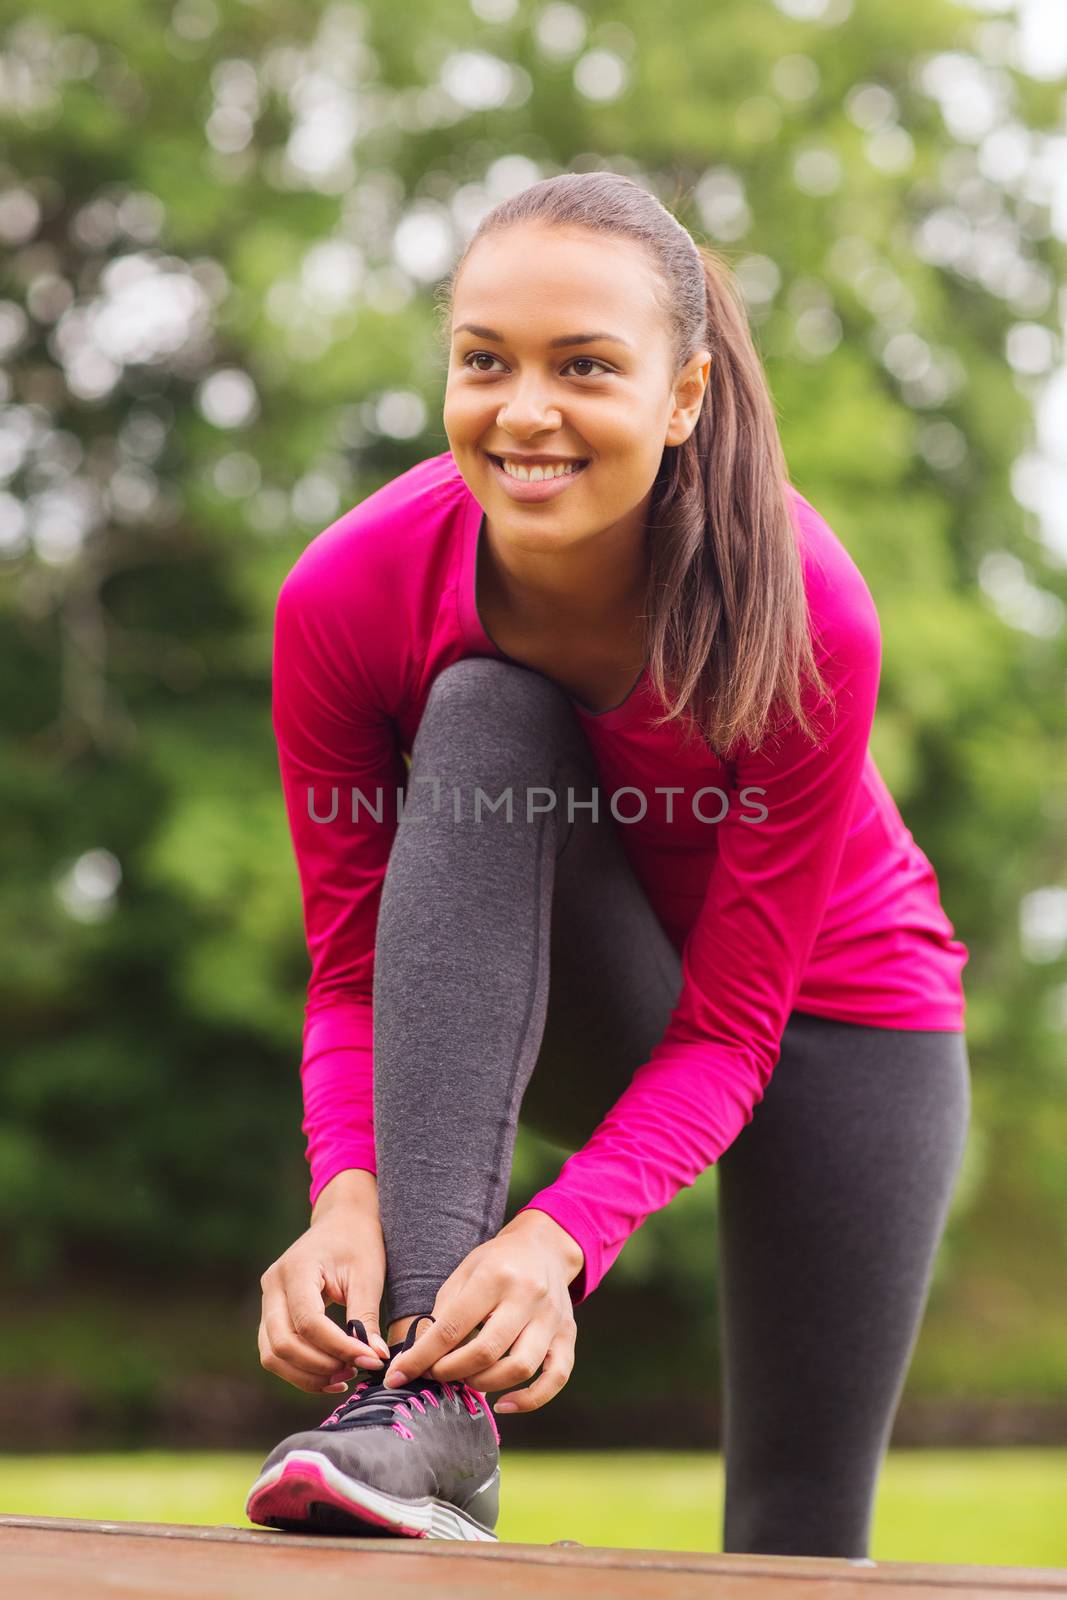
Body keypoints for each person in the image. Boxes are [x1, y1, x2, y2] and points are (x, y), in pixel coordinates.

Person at [244, 171, 971, 1554]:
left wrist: (557, 1244)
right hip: (588, 986)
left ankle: (451, 1374)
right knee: (486, 706)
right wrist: (348, 1187)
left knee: (799, 1532)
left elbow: (732, 1034)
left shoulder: (808, 615)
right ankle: (423, 1404)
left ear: (684, 396)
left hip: (847, 1024)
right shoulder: (348, 597)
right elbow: (351, 974)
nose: (525, 411)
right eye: (484, 362)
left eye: (586, 366)